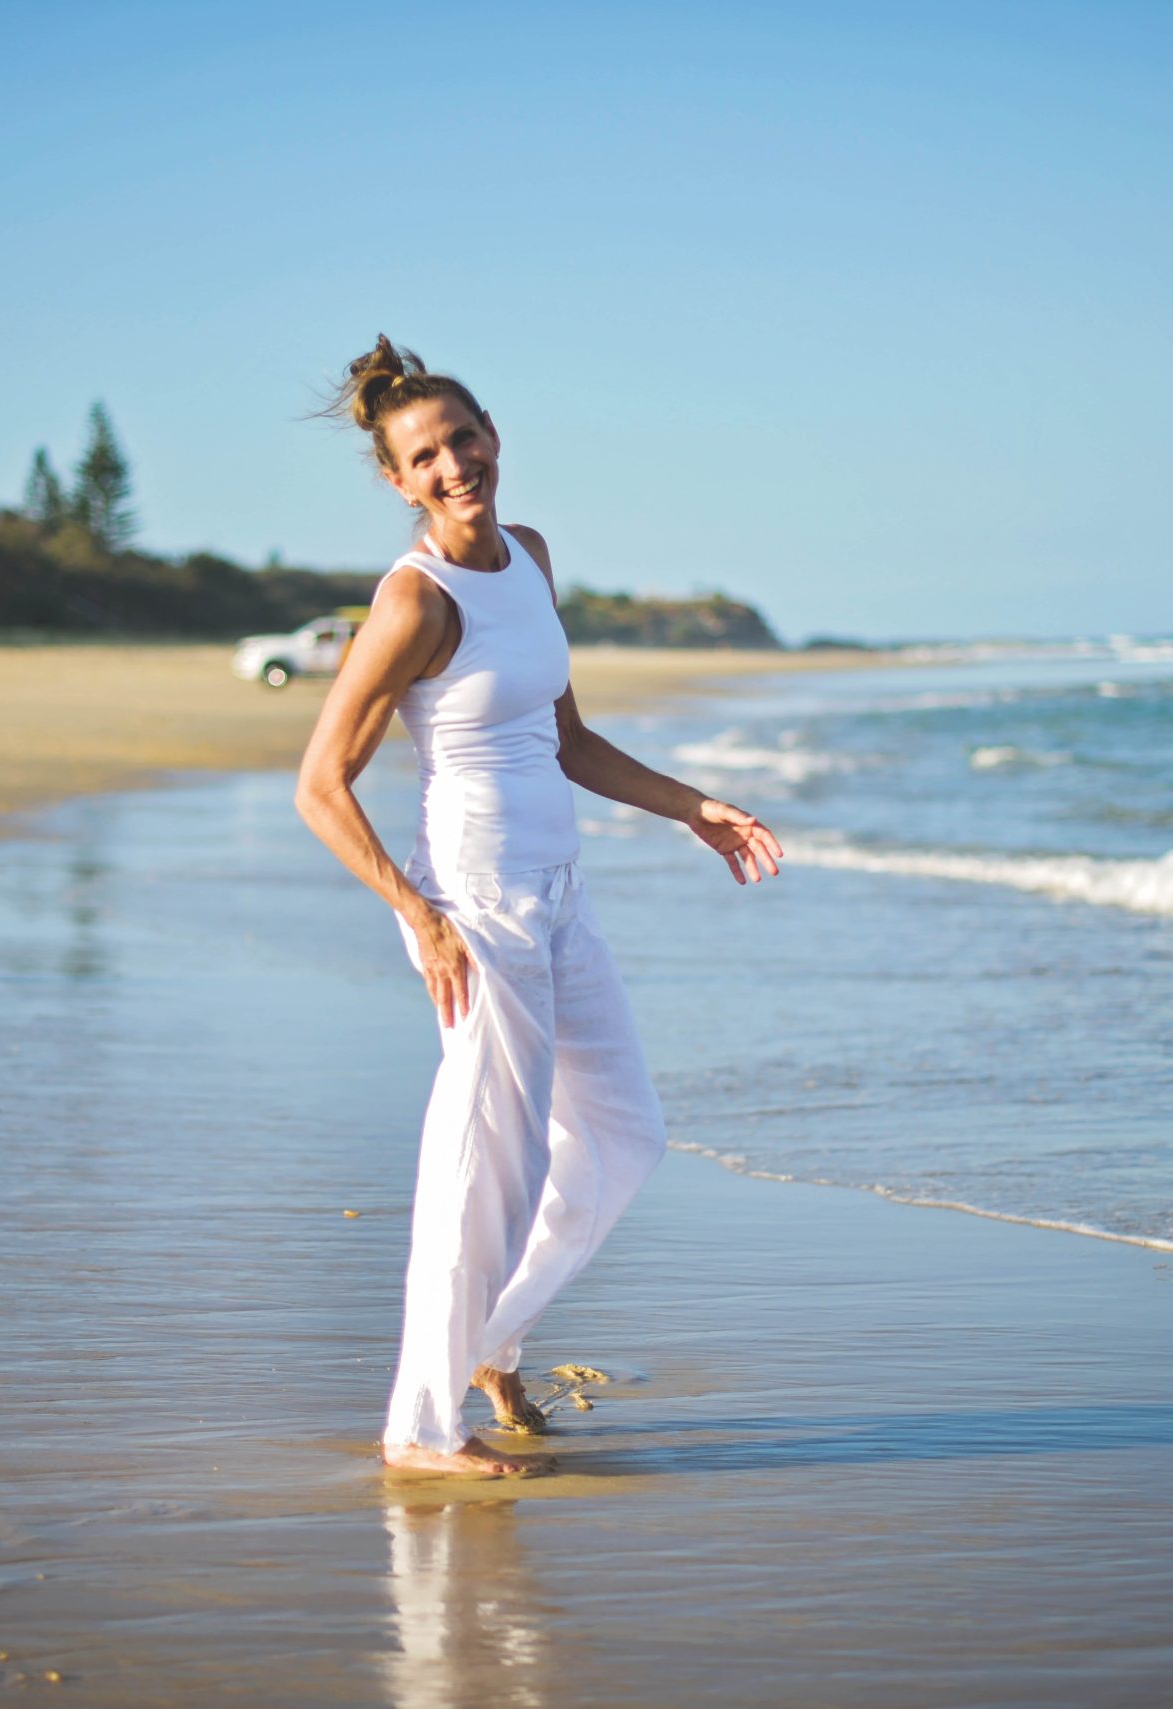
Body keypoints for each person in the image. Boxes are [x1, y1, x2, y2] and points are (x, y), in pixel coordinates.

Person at [295, 336, 784, 1478]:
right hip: (475, 908)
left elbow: (567, 740)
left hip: (558, 891)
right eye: (425, 457)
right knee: (485, 1169)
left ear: (493, 436)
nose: (453, 465)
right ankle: (421, 1429)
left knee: (624, 1132)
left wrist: (692, 806)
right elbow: (319, 784)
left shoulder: (530, 555)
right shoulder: (414, 601)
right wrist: (421, 916)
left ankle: (489, 1341)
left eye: (463, 439)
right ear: (399, 482)